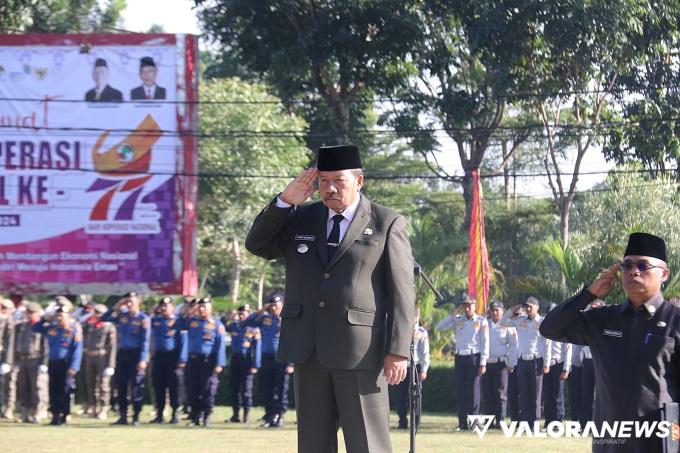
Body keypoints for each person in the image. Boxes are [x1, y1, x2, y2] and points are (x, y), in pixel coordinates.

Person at [245, 144, 416, 453]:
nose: (330, 188)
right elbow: (258, 245)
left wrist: (398, 350)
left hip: (361, 352)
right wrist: (285, 202)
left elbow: (403, 293)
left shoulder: (386, 222)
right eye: (323, 181)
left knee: (368, 444)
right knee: (313, 444)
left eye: (339, 180)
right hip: (309, 349)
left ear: (359, 181)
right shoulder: (300, 217)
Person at [540, 232, 679, 452]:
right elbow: (550, 328)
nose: (634, 271)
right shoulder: (603, 319)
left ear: (664, 274)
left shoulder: (675, 319)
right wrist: (589, 294)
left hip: (659, 441)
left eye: (643, 266)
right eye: (627, 265)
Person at [437, 297, 489, 430]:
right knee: (460, 390)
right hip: (460, 357)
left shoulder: (481, 321)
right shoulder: (458, 319)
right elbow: (440, 327)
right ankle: (462, 423)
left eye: (469, 306)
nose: (467, 308)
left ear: (475, 306)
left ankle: (475, 423)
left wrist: (483, 362)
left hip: (474, 357)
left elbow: (485, 343)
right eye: (465, 306)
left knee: (474, 391)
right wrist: (455, 313)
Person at [242, 292, 293, 428]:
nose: (274, 308)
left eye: (276, 305)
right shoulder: (264, 318)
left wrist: (291, 363)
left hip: (282, 359)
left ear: (282, 305)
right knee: (267, 389)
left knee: (281, 389)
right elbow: (245, 323)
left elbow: (293, 341)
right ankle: (270, 416)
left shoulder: (288, 320)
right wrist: (261, 310)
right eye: (272, 306)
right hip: (266, 358)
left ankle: (280, 415)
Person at [103, 293, 150, 426]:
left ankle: (136, 416)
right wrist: (117, 306)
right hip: (122, 353)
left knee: (136, 386)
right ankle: (123, 416)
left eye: (132, 302)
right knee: (121, 386)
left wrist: (142, 359)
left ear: (138, 303)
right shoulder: (121, 316)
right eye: (127, 302)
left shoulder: (143, 318)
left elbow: (145, 341)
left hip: (135, 354)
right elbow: (104, 318)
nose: (129, 305)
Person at [179, 297, 227, 427]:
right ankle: (194, 417)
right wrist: (189, 308)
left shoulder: (217, 325)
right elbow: (179, 322)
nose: (201, 309)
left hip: (208, 361)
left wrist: (219, 363)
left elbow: (220, 345)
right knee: (192, 389)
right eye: (199, 307)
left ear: (211, 309)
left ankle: (206, 416)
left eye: (204, 307)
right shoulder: (191, 322)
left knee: (207, 389)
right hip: (193, 360)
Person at [32, 304, 83, 425]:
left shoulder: (73, 329)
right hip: (53, 363)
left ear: (68, 316)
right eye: (57, 315)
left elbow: (78, 349)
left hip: (67, 364)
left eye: (62, 315)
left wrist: (74, 366)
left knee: (65, 390)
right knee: (53, 390)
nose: (59, 318)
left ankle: (64, 415)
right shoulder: (52, 328)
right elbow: (35, 328)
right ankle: (55, 416)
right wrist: (45, 319)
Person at [500, 297, 548, 425]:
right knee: (524, 392)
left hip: (536, 360)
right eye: (526, 306)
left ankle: (535, 420)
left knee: (535, 393)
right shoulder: (520, 320)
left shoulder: (542, 322)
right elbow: (503, 322)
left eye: (530, 307)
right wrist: (514, 309)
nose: (527, 309)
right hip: (522, 361)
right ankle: (526, 421)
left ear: (537, 308)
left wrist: (546, 363)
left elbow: (546, 344)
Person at [482, 300, 518, 428]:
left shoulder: (508, 325)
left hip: (501, 363)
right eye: (492, 310)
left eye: (497, 310)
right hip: (487, 363)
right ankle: (489, 420)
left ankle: (500, 420)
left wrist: (511, 362)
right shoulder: (485, 324)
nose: (494, 312)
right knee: (488, 393)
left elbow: (514, 345)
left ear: (503, 311)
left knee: (500, 393)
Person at [149, 297, 185, 424]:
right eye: (161, 306)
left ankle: (175, 414)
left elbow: (183, 341)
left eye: (166, 306)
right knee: (158, 385)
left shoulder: (178, 321)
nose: (164, 308)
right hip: (158, 356)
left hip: (173, 357)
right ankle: (159, 414)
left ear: (172, 307)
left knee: (174, 386)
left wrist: (182, 358)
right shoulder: (155, 320)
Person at [12, 302, 47, 423]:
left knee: (37, 388)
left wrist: (44, 363)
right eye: (28, 312)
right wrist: (14, 360)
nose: (29, 315)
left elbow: (45, 345)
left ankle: (37, 412)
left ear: (37, 313)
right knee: (23, 387)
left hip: (35, 359)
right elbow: (15, 343)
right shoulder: (21, 326)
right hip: (23, 359)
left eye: (32, 312)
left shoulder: (42, 326)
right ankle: (24, 413)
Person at [226, 305, 261, 423]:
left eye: (244, 314)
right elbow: (225, 324)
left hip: (247, 360)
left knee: (246, 389)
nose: (241, 316)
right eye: (240, 313)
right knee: (234, 388)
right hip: (235, 359)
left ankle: (246, 415)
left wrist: (255, 365)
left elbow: (257, 348)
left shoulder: (254, 328)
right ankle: (235, 414)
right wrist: (232, 317)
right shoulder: (234, 326)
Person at [395, 313, 430, 430]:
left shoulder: (421, 332)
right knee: (401, 396)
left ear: (417, 318)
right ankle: (402, 422)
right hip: (403, 366)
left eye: (414, 316)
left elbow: (425, 353)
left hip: (415, 367)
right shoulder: (402, 329)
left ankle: (415, 423)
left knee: (415, 396)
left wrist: (424, 370)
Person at [82, 303, 117, 419]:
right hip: (89, 357)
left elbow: (112, 346)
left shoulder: (109, 326)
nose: (96, 315)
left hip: (102, 357)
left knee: (103, 385)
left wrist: (110, 365)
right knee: (90, 383)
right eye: (95, 312)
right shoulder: (90, 325)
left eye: (99, 313)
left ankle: (103, 408)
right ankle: (93, 406)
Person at [580, 299, 604, 428]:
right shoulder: (588, 324)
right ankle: (585, 424)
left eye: (596, 308)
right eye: (592, 308)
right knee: (586, 394)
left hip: (600, 362)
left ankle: (600, 424)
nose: (593, 310)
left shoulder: (606, 324)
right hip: (588, 361)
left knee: (601, 394)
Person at [542, 336, 572, 425]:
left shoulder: (562, 329)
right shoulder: (544, 326)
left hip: (558, 364)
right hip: (545, 366)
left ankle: (557, 421)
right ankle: (548, 420)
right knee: (547, 395)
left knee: (558, 395)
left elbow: (568, 349)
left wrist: (566, 369)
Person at [0, 298, 15, 419]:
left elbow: (9, 342)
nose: (3, 310)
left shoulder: (11, 322)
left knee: (8, 385)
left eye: (5, 308)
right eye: (2, 307)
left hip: (6, 357)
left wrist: (7, 361)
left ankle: (8, 408)